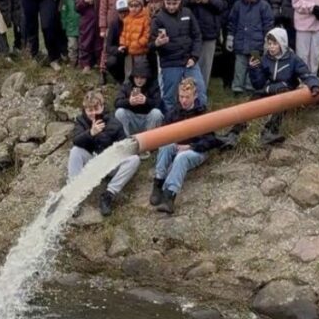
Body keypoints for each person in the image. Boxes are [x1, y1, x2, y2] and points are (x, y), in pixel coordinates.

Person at [150, 78, 221, 214]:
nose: (184, 100)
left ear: (195, 96)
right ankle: (158, 182)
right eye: (181, 97)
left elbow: (211, 140)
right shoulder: (174, 112)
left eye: (187, 97)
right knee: (165, 146)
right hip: (177, 146)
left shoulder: (202, 113)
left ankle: (169, 196)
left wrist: (191, 146)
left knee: (181, 158)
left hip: (196, 150)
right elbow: (163, 132)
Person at [69, 90, 140, 216]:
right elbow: (76, 141)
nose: (93, 113)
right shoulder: (81, 121)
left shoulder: (114, 122)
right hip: (91, 162)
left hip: (110, 163)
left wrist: (114, 149)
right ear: (85, 110)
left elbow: (125, 148)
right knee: (75, 151)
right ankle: (73, 197)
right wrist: (91, 133)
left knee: (134, 159)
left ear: (102, 106)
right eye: (89, 110)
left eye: (96, 108)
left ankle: (108, 194)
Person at [248, 27, 319, 144]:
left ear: (282, 44)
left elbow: (306, 74)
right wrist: (254, 69)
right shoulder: (265, 59)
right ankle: (234, 133)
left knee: (283, 98)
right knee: (253, 99)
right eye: (269, 44)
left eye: (274, 44)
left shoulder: (293, 59)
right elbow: (258, 84)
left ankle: (270, 131)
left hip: (284, 91)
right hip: (269, 89)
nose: (271, 47)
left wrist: (314, 86)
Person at [150, 0, 207, 109]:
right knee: (169, 97)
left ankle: (200, 119)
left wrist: (194, 57)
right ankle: (170, 123)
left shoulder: (187, 13)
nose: (171, 6)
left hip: (189, 62)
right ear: (164, 1)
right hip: (170, 63)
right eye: (168, 3)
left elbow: (197, 36)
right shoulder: (158, 18)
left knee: (200, 93)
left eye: (174, 3)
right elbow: (149, 44)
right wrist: (157, 43)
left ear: (180, 0)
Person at [182, 0, 228, 86]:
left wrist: (209, 0)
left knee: (205, 64)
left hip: (210, 28)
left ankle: (202, 91)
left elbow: (224, 5)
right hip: (189, 27)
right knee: (189, 61)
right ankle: (187, 91)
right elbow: (179, 0)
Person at [226, 0, 274, 94]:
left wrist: (267, 41)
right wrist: (230, 37)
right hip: (241, 43)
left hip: (256, 44)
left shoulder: (264, 6)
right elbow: (232, 22)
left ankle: (251, 86)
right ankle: (237, 87)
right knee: (240, 67)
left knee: (254, 65)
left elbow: (268, 25)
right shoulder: (238, 5)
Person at [114, 59, 163, 136]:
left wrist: (146, 101)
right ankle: (125, 140)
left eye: (142, 78)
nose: (139, 81)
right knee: (119, 112)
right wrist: (129, 102)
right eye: (136, 77)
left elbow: (159, 104)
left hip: (148, 120)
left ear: (147, 77)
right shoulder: (127, 85)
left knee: (157, 113)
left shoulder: (153, 86)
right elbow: (116, 103)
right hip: (132, 120)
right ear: (133, 77)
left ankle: (149, 143)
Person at [75, 0, 102, 71]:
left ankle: (98, 62)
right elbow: (77, 7)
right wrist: (84, 2)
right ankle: (85, 63)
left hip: (97, 22)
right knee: (85, 42)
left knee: (98, 43)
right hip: (86, 23)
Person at [119, 0, 150, 77]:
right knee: (128, 72)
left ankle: (141, 87)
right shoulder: (127, 19)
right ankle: (128, 87)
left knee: (140, 71)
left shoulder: (145, 19)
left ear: (141, 6)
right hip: (128, 51)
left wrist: (138, 43)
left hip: (140, 51)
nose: (134, 8)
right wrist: (123, 44)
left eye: (136, 6)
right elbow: (124, 33)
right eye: (131, 6)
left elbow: (147, 35)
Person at [103, 0, 130, 83]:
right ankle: (119, 79)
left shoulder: (135, 22)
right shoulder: (114, 24)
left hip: (133, 51)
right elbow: (108, 46)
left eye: (125, 11)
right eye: (120, 12)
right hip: (119, 53)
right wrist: (117, 49)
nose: (123, 14)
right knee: (111, 62)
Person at [61, 0, 80, 65]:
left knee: (81, 45)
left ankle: (81, 61)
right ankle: (73, 61)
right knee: (72, 46)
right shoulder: (66, 0)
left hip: (81, 27)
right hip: (71, 27)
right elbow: (63, 13)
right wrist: (64, 24)